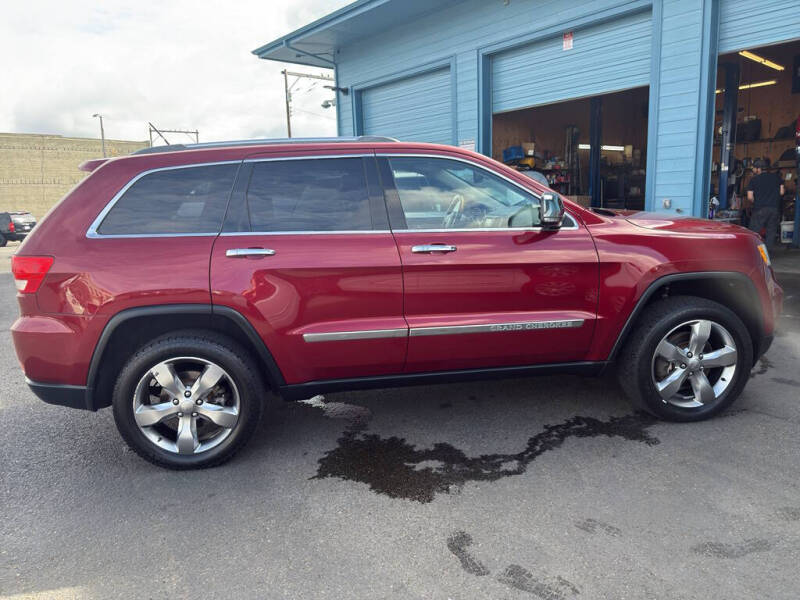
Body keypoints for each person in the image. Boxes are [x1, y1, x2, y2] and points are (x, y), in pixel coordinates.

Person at [746, 159, 784, 250]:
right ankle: (767, 255)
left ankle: (753, 253)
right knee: (771, 232)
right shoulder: (777, 177)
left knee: (754, 232)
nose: (753, 170)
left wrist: (757, 201)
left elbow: (750, 197)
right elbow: (782, 192)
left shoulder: (754, 180)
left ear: (758, 169)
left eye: (754, 168)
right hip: (774, 208)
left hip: (760, 209)